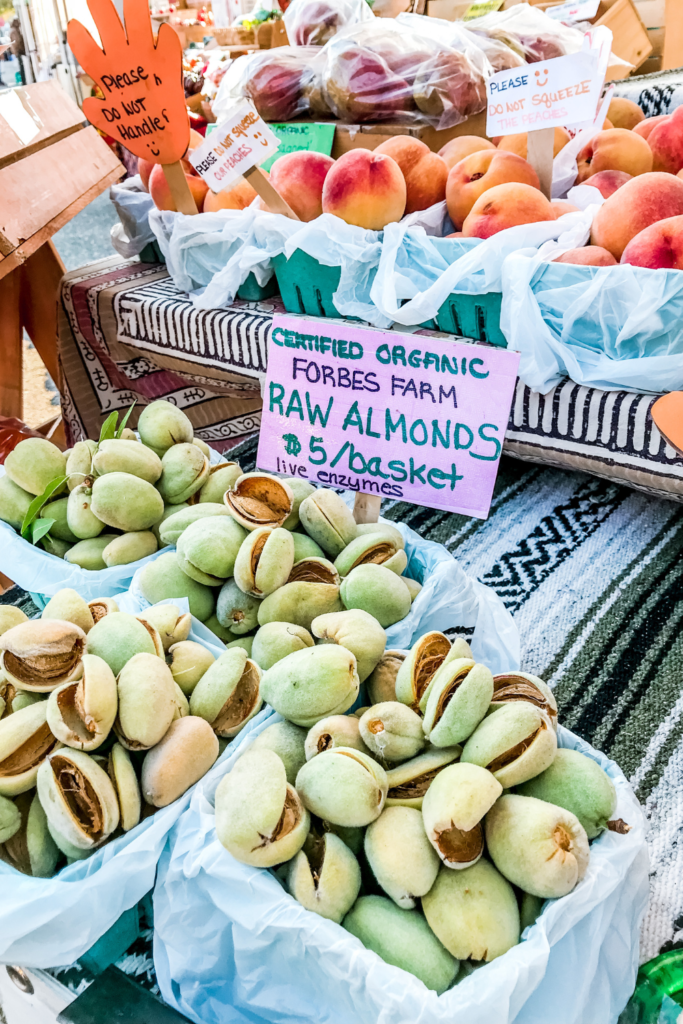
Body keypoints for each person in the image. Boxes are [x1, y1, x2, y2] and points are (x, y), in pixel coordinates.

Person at [9, 18, 25, 84]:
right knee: (22, 66)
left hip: (17, 50)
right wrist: (19, 49)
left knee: (22, 65)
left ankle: (23, 80)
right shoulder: (14, 31)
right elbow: (16, 42)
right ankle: (23, 80)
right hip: (18, 51)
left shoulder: (13, 30)